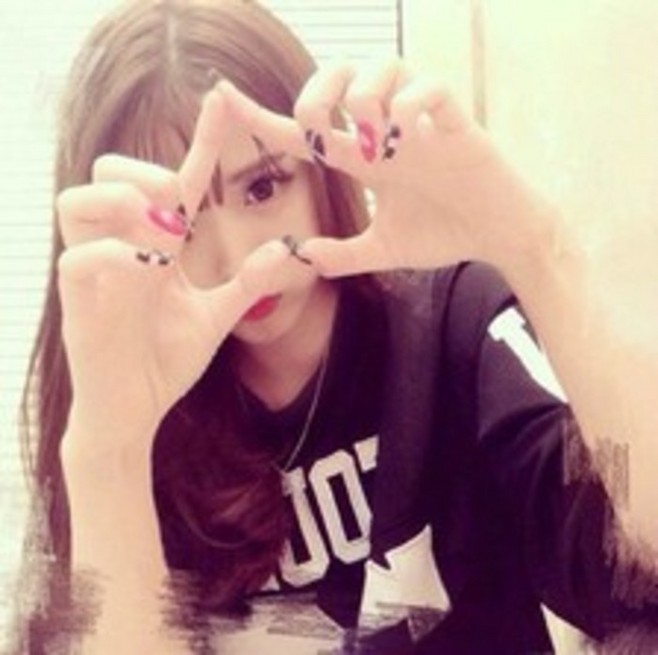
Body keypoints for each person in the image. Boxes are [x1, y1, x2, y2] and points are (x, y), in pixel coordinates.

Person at [12, 0, 658, 653]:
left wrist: (539, 251)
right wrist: (110, 451)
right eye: (182, 221)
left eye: (263, 187)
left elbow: (644, 569)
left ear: (319, 168)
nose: (239, 258)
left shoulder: (451, 326)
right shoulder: (138, 409)